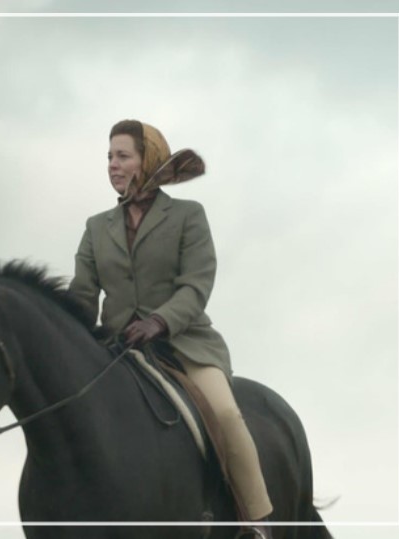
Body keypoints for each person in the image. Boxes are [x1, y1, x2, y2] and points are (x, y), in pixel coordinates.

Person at [69, 119, 272, 539]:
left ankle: (256, 522)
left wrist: (159, 321)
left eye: (123, 155)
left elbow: (197, 283)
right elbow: (83, 296)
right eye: (109, 156)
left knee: (227, 414)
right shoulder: (95, 227)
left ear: (149, 160)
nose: (112, 164)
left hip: (185, 345)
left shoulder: (187, 216)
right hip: (119, 349)